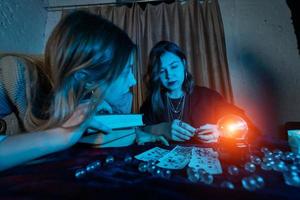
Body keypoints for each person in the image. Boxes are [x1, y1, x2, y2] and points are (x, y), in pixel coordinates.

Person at [0, 11, 137, 171]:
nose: (133, 81)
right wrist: (58, 136)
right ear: (85, 77)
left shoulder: (84, 93)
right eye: (126, 71)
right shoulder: (13, 73)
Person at [140, 41, 259, 143]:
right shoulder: (150, 104)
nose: (169, 75)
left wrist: (222, 131)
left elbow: (250, 128)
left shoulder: (209, 97)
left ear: (184, 63)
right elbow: (137, 132)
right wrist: (160, 129)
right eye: (161, 71)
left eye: (174, 66)